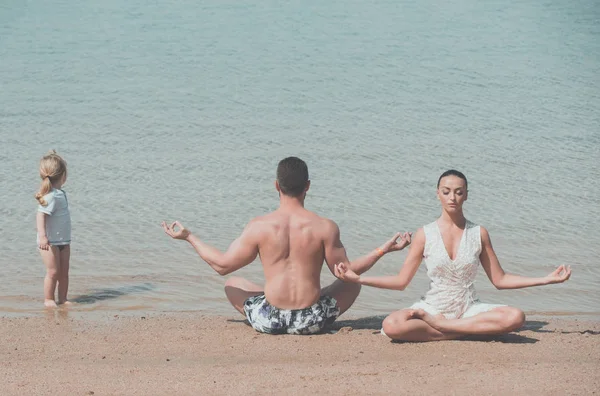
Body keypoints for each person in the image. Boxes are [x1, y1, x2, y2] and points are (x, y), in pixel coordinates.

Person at [162, 156, 411, 335]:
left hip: (268, 321)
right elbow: (348, 272)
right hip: (312, 321)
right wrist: (383, 250)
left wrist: (189, 237)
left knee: (232, 284)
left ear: (276, 186)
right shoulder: (325, 227)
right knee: (352, 285)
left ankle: (274, 298)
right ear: (308, 186)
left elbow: (222, 266)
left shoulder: (259, 226)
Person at [335, 170, 571, 342]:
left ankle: (447, 328)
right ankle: (463, 331)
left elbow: (500, 280)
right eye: (446, 192)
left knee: (516, 316)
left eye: (459, 192)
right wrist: (357, 279)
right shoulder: (424, 234)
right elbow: (400, 282)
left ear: (466, 195)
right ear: (437, 194)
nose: (452, 198)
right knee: (392, 325)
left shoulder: (479, 233)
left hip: (469, 307)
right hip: (432, 307)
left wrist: (546, 279)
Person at [35, 150, 72, 308]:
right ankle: (48, 299)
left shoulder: (60, 193)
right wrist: (43, 236)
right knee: (53, 272)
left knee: (64, 273)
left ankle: (63, 298)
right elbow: (40, 215)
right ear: (63, 175)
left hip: (64, 240)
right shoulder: (51, 196)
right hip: (49, 242)